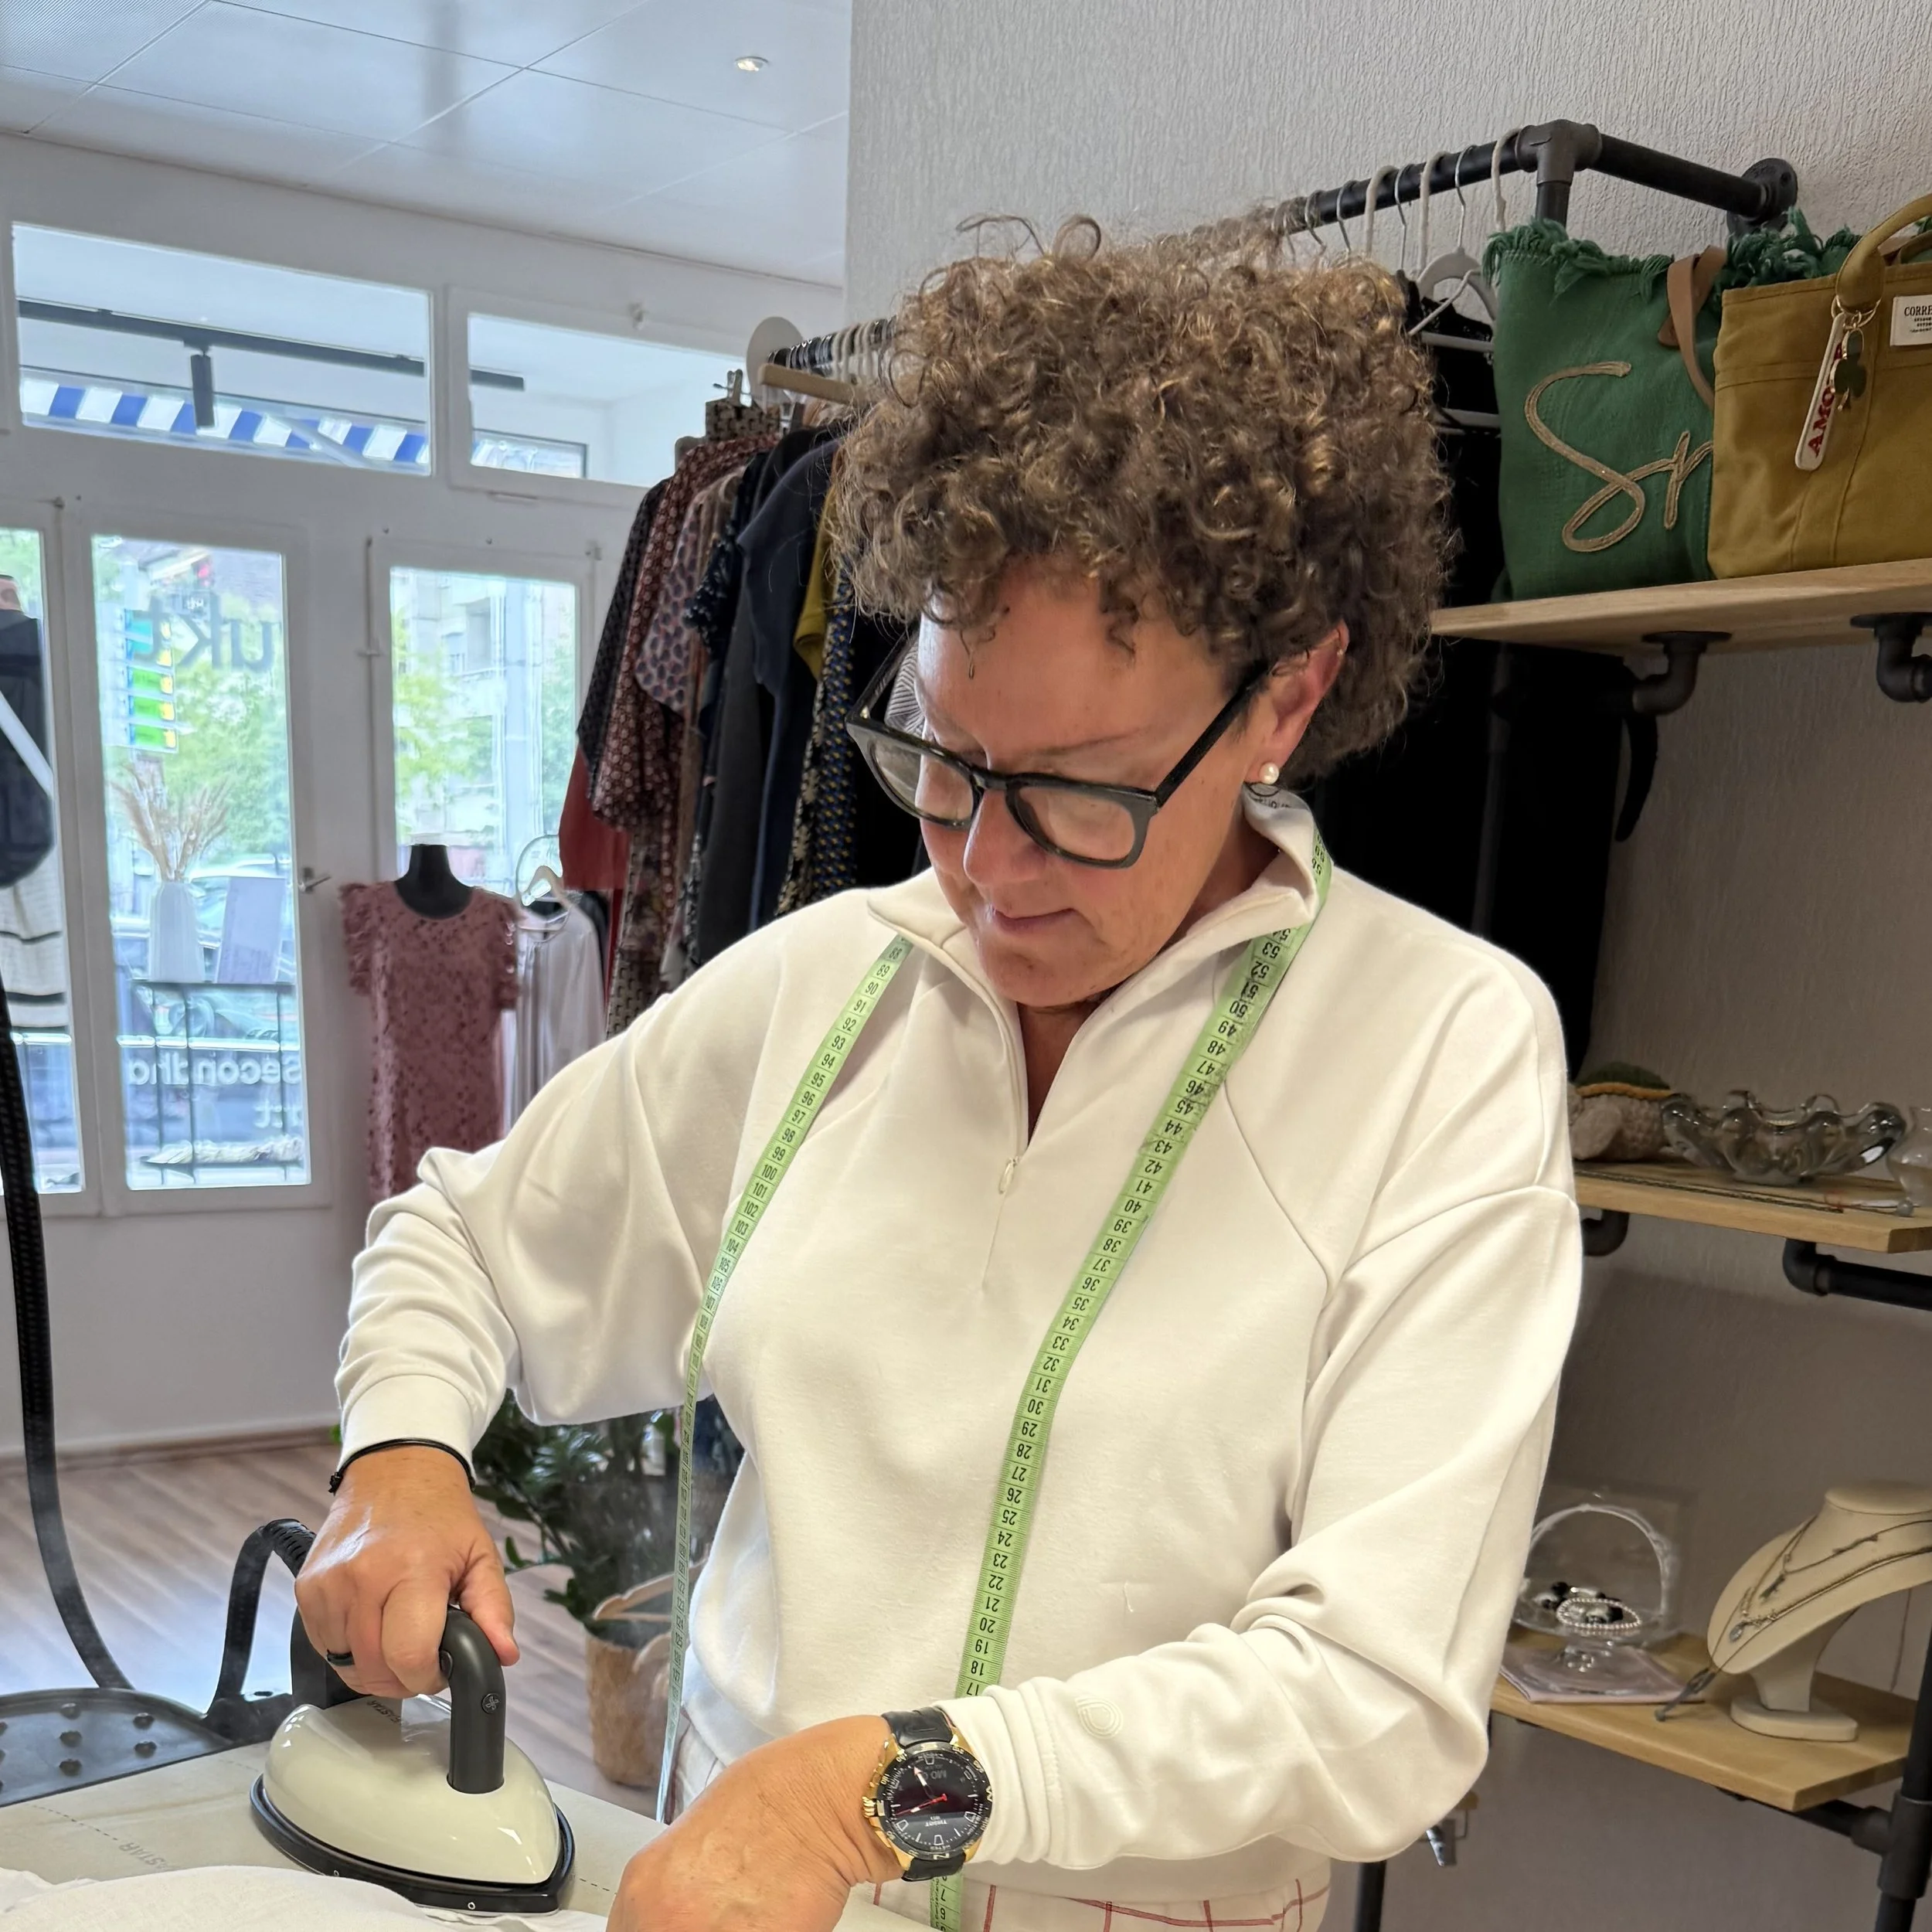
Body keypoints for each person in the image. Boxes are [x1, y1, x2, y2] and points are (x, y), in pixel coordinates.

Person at [300, 222, 1580, 1932]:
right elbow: (460, 1238)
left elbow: (1373, 1695)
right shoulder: (829, 984)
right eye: (946, 758)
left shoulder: (1437, 1051)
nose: (987, 865)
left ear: (1290, 694)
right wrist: (398, 1452)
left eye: (1081, 791)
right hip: (732, 1894)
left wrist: (873, 1794)